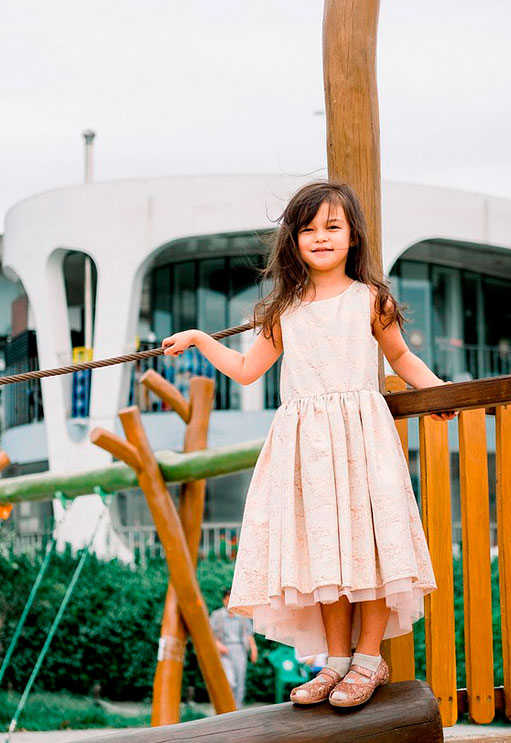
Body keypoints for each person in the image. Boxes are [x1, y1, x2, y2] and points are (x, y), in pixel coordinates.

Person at [162, 180, 452, 708]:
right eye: (308, 228)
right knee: (328, 556)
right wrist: (202, 339)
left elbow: (402, 359)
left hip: (362, 439)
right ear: (293, 240)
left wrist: (439, 391)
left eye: (332, 227)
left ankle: (368, 659)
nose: (320, 237)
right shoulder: (283, 310)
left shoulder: (371, 299)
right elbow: (248, 371)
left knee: (371, 547)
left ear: (352, 237)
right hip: (308, 450)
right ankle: (336, 662)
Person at [210, 588, 257, 706]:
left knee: (240, 680)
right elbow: (210, 635)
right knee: (228, 680)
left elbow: (249, 634)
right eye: (228, 599)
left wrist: (253, 649)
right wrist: (217, 644)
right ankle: (225, 707)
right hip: (223, 650)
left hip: (240, 649)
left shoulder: (242, 615)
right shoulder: (217, 616)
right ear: (224, 600)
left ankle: (237, 709)